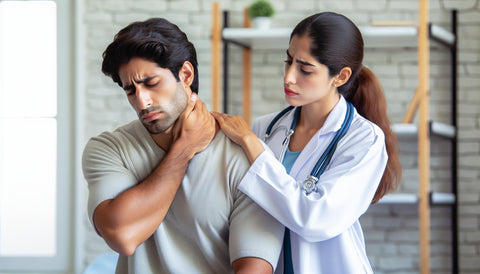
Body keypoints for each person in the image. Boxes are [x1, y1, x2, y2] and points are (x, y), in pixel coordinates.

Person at [82, 18, 284, 273]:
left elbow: (254, 268)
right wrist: (184, 148)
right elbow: (122, 236)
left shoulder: (245, 157)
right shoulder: (109, 148)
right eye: (131, 90)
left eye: (151, 83)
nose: (142, 101)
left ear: (185, 74)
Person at [212, 12, 402, 273]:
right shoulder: (265, 128)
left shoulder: (363, 139)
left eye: (305, 68)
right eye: (288, 61)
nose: (289, 77)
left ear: (341, 76)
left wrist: (249, 143)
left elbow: (315, 219)